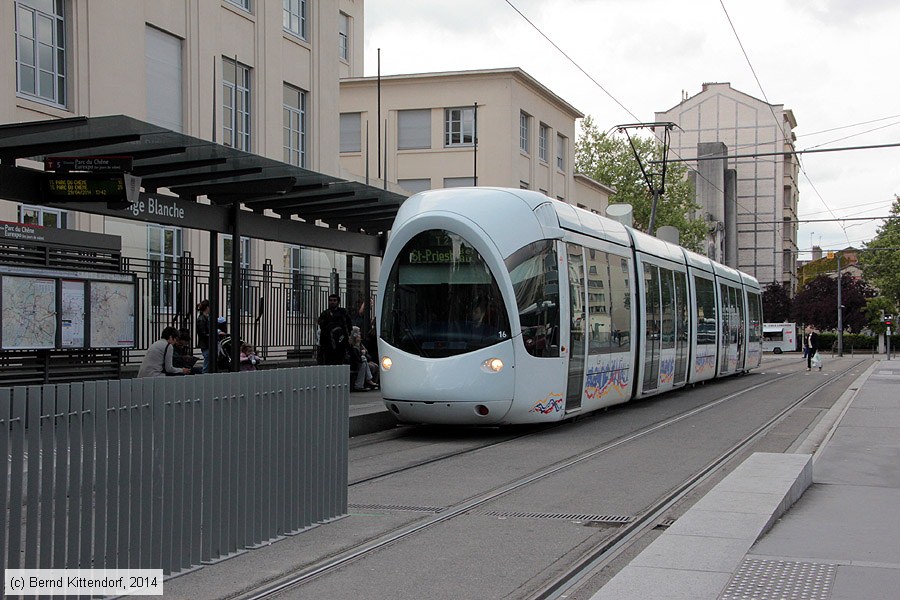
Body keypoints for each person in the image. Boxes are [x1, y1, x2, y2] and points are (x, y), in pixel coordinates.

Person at [317, 294, 352, 365]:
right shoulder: (325, 313)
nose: (332, 302)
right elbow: (322, 325)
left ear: (338, 302)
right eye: (330, 300)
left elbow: (348, 325)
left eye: (334, 300)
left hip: (341, 343)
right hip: (327, 344)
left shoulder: (343, 313)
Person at [349, 326, 378, 391]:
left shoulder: (361, 344)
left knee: (367, 362)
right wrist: (362, 354)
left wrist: (364, 354)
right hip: (355, 363)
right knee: (364, 361)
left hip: (360, 361)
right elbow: (355, 357)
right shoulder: (352, 345)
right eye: (358, 333)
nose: (360, 335)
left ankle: (368, 381)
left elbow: (368, 356)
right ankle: (368, 380)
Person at [196, 299, 211, 373]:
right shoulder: (202, 319)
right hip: (205, 344)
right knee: (207, 362)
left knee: (208, 361)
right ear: (207, 307)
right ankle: (204, 375)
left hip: (205, 343)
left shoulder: (204, 318)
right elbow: (203, 333)